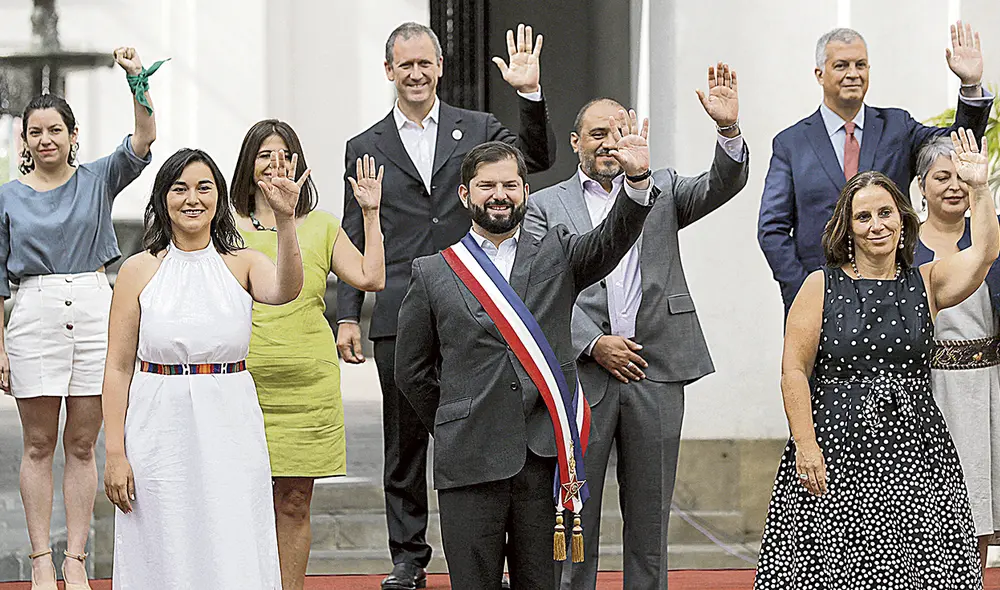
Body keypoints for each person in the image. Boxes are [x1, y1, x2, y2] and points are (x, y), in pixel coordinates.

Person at [336, 21, 556, 590]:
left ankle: (495, 548)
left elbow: (537, 157)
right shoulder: (365, 147)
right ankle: (408, 556)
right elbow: (353, 231)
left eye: (424, 63)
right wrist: (345, 313)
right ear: (389, 71)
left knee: (488, 429)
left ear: (439, 68)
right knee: (405, 437)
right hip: (398, 309)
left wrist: (529, 95)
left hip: (477, 311)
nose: (415, 74)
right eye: (404, 65)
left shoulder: (479, 127)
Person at [395, 109, 655, 590]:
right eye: (488, 186)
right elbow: (411, 372)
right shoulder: (433, 272)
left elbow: (612, 240)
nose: (500, 195)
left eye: (510, 186)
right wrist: (456, 417)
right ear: (465, 194)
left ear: (525, 192)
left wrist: (637, 181)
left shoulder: (557, 250)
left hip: (542, 459)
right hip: (469, 460)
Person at [524, 63, 748, 590]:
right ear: (576, 142)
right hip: (583, 376)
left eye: (619, 130)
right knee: (575, 519)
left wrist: (728, 129)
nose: (609, 142)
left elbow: (724, 183)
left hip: (657, 369)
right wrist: (593, 342)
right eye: (597, 133)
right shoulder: (543, 205)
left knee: (650, 521)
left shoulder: (663, 188)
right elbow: (536, 286)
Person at [754, 129, 998, 589]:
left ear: (903, 219)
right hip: (835, 453)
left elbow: (984, 253)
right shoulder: (819, 286)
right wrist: (806, 445)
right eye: (863, 216)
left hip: (917, 454)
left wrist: (980, 189)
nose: (877, 224)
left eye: (885, 212)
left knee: (923, 571)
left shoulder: (927, 281)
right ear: (847, 227)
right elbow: (793, 371)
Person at [102, 147, 338, 589]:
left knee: (232, 534)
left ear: (220, 197)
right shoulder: (139, 269)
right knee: (162, 536)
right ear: (161, 199)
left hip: (230, 417)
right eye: (179, 188)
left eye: (204, 187)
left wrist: (286, 221)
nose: (192, 199)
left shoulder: (242, 261)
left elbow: (287, 288)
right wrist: (115, 452)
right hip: (157, 422)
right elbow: (117, 367)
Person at [0, 46, 155, 590]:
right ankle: (42, 557)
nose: (46, 140)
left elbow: (144, 142)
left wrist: (136, 81)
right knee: (39, 443)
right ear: (24, 139)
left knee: (84, 444)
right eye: (35, 131)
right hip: (34, 311)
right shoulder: (6, 198)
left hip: (93, 307)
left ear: (72, 135)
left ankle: (77, 559)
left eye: (55, 130)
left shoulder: (96, 179)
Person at [230, 119, 385, 590]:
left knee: (295, 501)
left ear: (298, 164)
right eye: (264, 155)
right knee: (241, 500)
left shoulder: (321, 226)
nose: (275, 164)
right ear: (247, 166)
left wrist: (371, 213)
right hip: (241, 384)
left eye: (284, 155)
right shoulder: (226, 227)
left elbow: (370, 276)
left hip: (307, 386)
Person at [757, 21, 994, 312]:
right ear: (819, 74)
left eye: (861, 64)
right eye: (841, 65)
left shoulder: (897, 126)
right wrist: (804, 292)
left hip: (894, 293)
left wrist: (970, 87)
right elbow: (772, 229)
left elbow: (957, 143)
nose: (853, 74)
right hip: (818, 298)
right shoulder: (791, 143)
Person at [914, 135, 1000, 570]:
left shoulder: (991, 236)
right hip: (927, 389)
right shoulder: (902, 243)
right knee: (928, 504)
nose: (952, 186)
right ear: (921, 185)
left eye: (959, 178)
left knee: (980, 496)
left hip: (988, 383)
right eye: (940, 177)